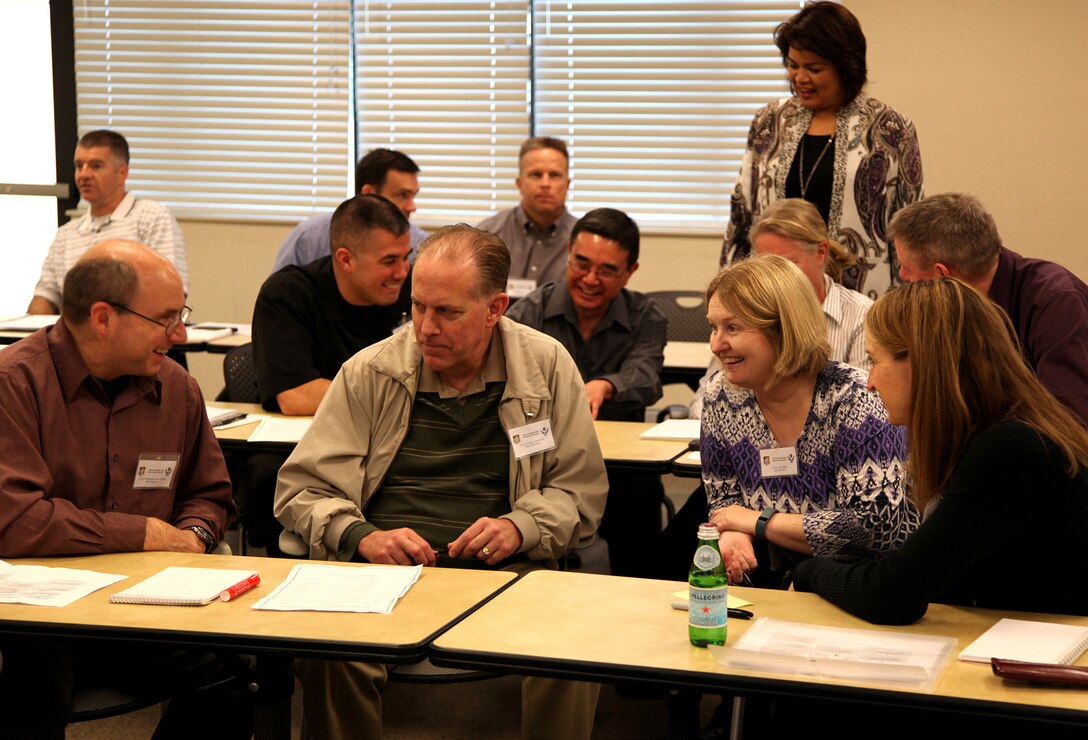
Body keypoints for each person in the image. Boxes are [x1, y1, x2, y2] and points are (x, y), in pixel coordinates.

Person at [275, 224, 607, 740]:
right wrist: (363, 536)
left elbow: (579, 492)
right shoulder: (371, 372)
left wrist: (520, 527)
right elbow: (303, 490)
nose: (426, 327)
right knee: (330, 649)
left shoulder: (545, 368)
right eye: (418, 306)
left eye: (447, 312)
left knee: (575, 641)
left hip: (508, 571)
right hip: (385, 571)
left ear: (496, 308)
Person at [0, 240, 249, 738]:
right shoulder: (15, 385)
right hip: (43, 613)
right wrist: (148, 533)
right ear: (102, 318)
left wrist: (195, 536)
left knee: (235, 679)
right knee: (36, 689)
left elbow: (209, 494)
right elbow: (18, 522)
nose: (179, 334)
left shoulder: (176, 389)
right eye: (165, 318)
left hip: (146, 603)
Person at [793, 277, 1088, 622]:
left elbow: (890, 595)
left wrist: (806, 572)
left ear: (922, 363)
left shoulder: (1011, 450)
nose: (869, 381)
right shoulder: (996, 436)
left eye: (875, 360)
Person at [701, 255, 916, 587]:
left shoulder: (856, 399)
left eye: (733, 327)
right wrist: (732, 534)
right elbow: (724, 500)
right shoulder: (722, 396)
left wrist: (756, 523)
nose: (717, 344)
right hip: (774, 585)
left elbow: (873, 529)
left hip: (865, 587)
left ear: (783, 329)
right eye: (713, 327)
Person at [240, 194, 413, 555]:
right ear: (346, 260)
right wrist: (391, 397)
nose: (401, 272)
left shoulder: (411, 292)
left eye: (405, 257)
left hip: (387, 441)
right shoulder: (289, 294)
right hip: (304, 446)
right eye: (389, 261)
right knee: (266, 476)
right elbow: (295, 395)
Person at [720, 2, 923, 298]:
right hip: (774, 292)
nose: (800, 78)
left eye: (814, 68)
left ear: (846, 66)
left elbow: (910, 225)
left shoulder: (889, 127)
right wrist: (729, 289)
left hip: (863, 294)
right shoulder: (769, 121)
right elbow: (742, 212)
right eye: (793, 65)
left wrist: (908, 306)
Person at [506, 208, 666, 576]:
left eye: (608, 270)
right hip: (542, 459)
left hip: (622, 467)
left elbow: (646, 374)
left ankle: (637, 596)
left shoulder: (645, 315)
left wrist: (606, 385)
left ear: (630, 272)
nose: (590, 279)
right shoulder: (528, 313)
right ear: (567, 252)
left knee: (642, 494)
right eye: (581, 263)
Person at [888, 192, 1088, 426]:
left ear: (941, 274)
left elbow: (1070, 424)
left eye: (906, 268)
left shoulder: (1056, 303)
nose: (902, 276)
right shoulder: (955, 306)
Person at [29, 130, 187, 315]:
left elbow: (169, 294)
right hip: (75, 337)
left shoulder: (151, 217)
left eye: (96, 166)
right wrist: (31, 332)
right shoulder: (66, 233)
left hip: (133, 336)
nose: (84, 174)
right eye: (79, 166)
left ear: (122, 173)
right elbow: (45, 295)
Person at [271, 148, 427, 272]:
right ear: (368, 193)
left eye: (413, 195)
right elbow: (281, 292)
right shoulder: (309, 237)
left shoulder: (421, 245)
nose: (412, 206)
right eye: (402, 195)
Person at [477, 136, 576, 295]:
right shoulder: (487, 234)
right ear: (519, 183)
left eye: (554, 175)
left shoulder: (582, 240)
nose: (545, 184)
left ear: (567, 184)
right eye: (536, 174)